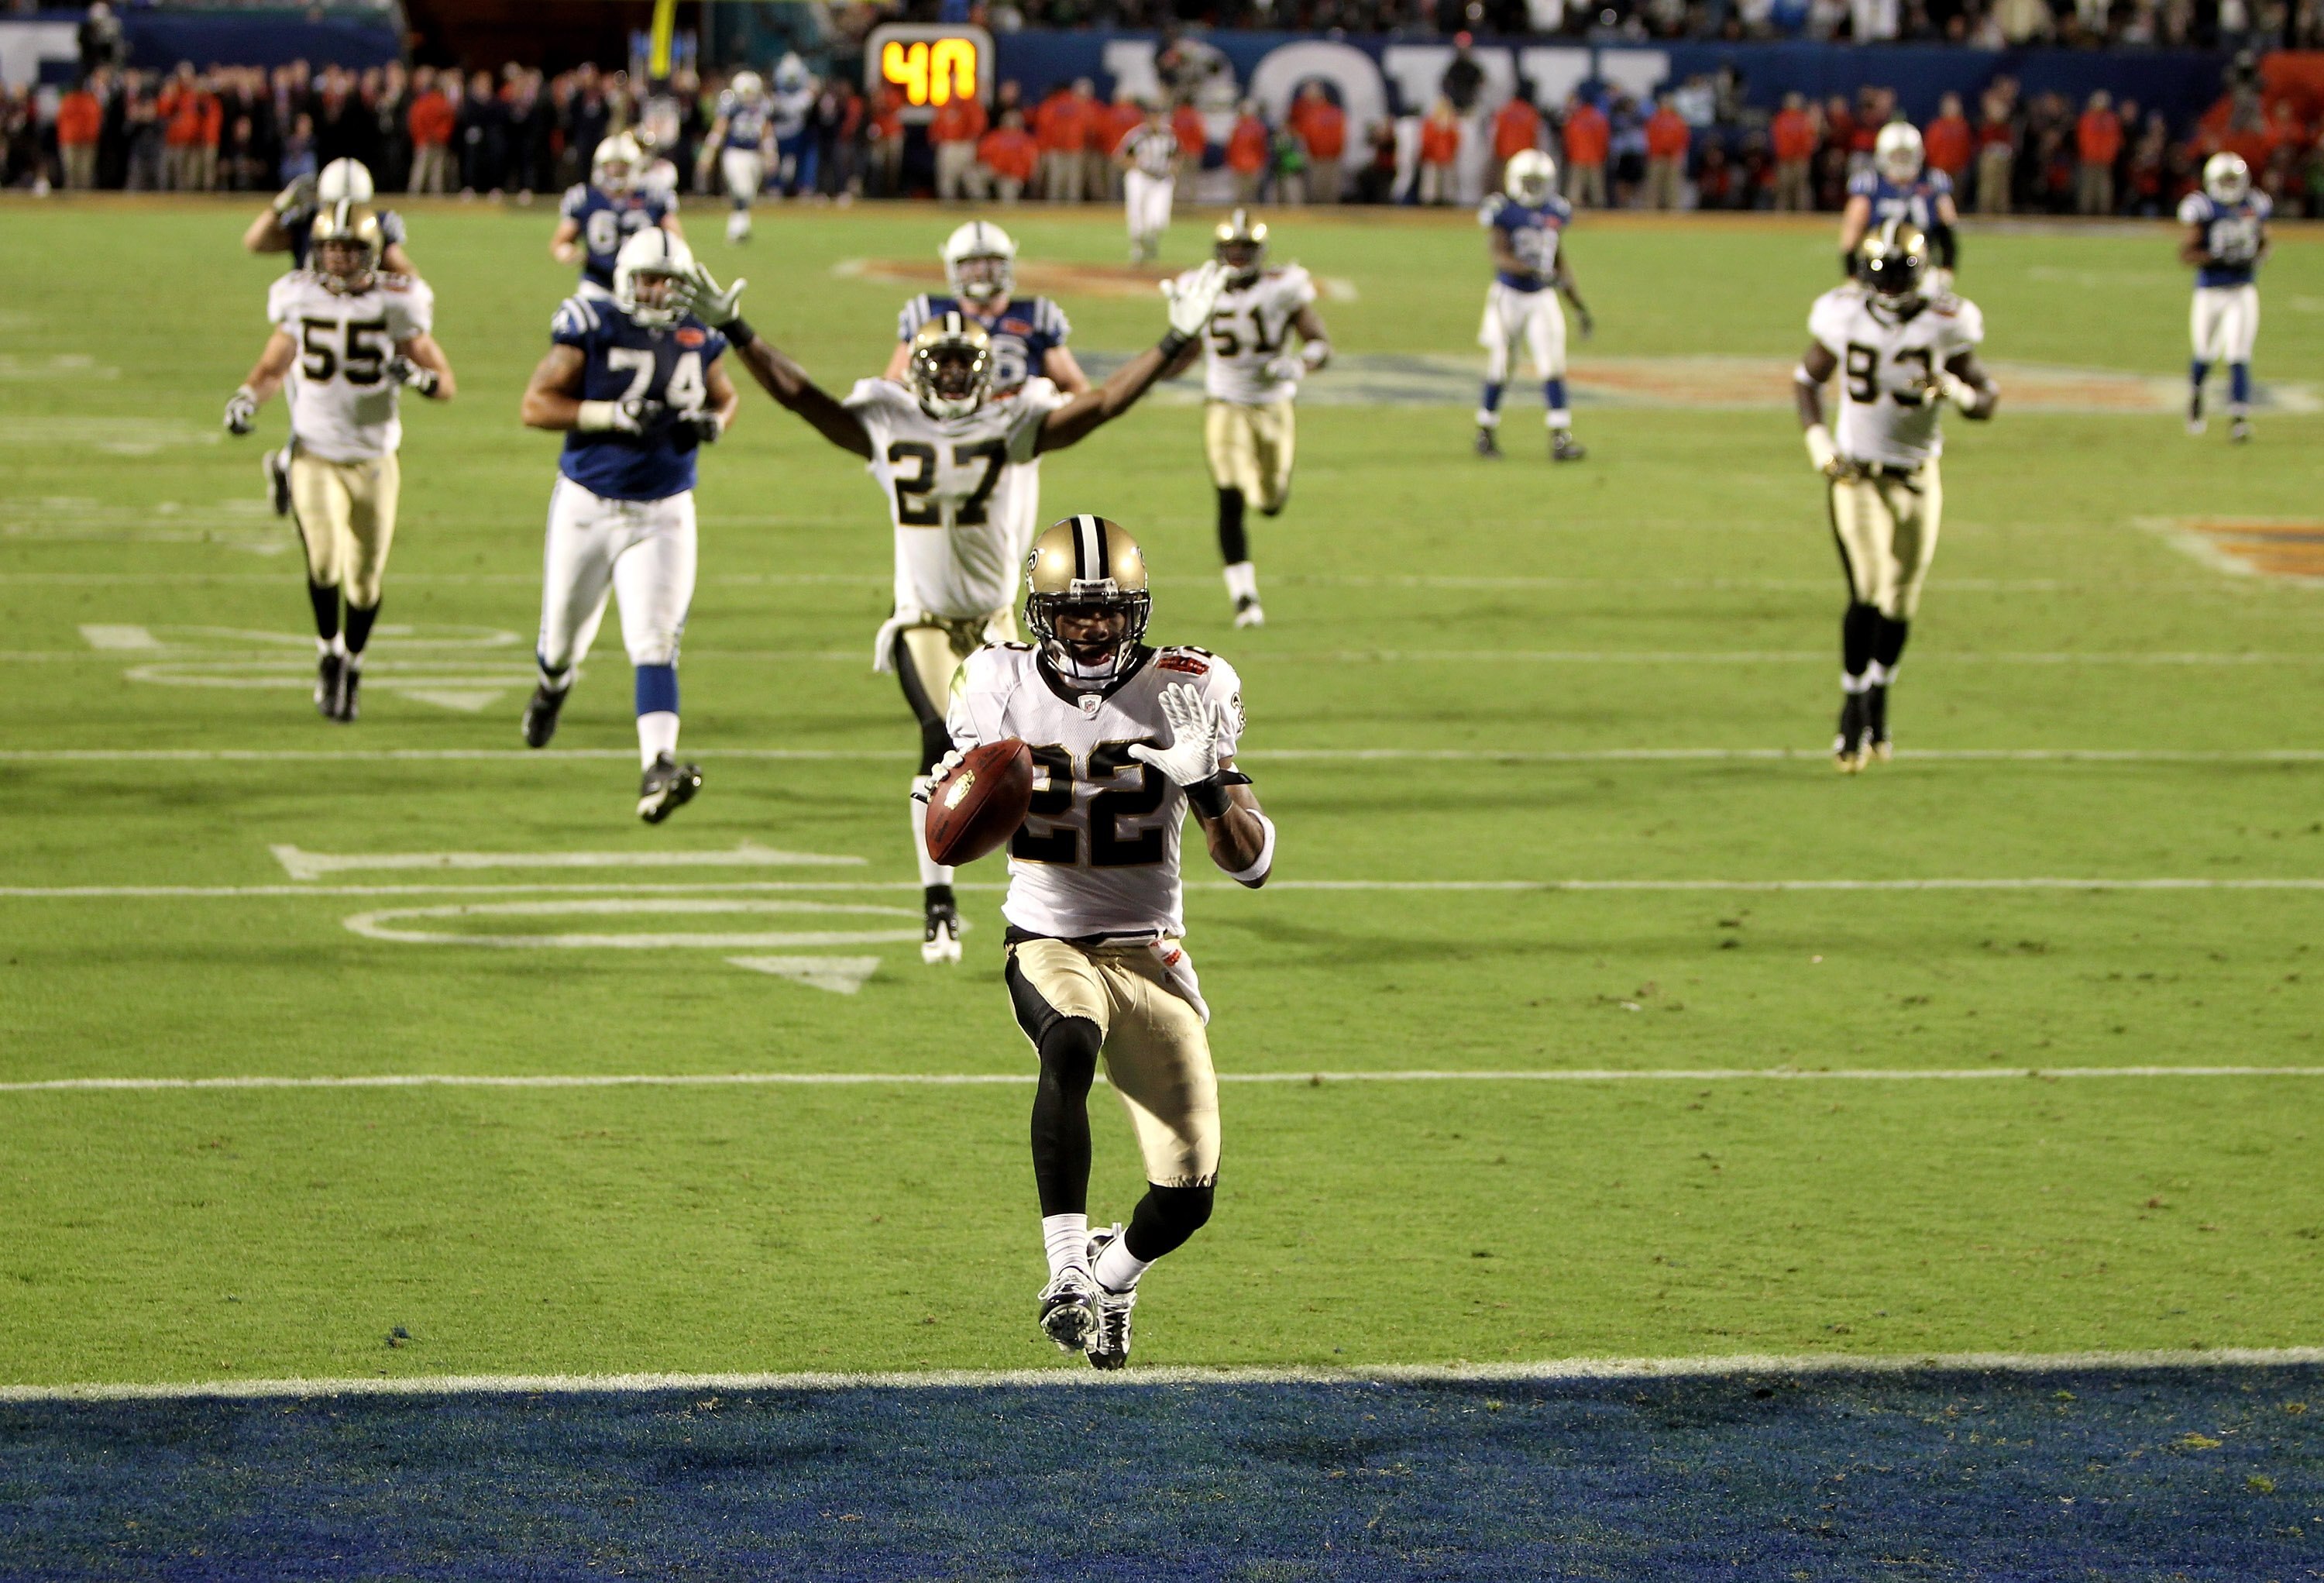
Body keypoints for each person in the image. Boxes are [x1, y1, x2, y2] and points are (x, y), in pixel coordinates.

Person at [669, 256, 1232, 962]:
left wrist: (1174, 343)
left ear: (988, 368)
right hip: (924, 621)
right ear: (918, 367)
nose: (958, 377)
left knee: (1031, 760)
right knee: (942, 737)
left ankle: (1051, 903)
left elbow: (1102, 404)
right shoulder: (886, 416)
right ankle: (938, 900)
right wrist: (738, 331)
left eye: (970, 364)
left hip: (1000, 625)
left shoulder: (1017, 419)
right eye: (945, 363)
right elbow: (803, 399)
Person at [934, 515, 1275, 1369]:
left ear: (1139, 609)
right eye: (1073, 611)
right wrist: (941, 803)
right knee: (1070, 1043)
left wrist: (1203, 788)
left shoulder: (1191, 684)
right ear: (1040, 612)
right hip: (1047, 934)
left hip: (1149, 944)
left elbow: (1254, 863)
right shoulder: (993, 681)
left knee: (1188, 1194)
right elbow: (953, 815)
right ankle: (1065, 1273)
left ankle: (1114, 1272)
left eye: (1109, 610)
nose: (1092, 626)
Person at [517, 229, 737, 822]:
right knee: (562, 641)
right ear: (625, 280)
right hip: (588, 505)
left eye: (668, 280)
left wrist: (715, 421)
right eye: (648, 278)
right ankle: (552, 687)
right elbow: (535, 404)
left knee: (655, 640)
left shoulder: (699, 331)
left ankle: (657, 766)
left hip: (663, 509)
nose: (658, 290)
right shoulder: (592, 322)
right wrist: (608, 414)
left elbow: (725, 395)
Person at [222, 201, 457, 723]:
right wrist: (245, 395)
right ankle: (328, 650)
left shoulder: (399, 304)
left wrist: (419, 380)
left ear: (372, 253)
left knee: (366, 581)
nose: (341, 259)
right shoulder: (299, 297)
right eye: (332, 248)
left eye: (351, 249)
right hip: (315, 451)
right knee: (325, 561)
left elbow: (445, 382)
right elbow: (272, 365)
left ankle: (354, 660)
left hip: (374, 456)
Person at [1794, 220, 1998, 772]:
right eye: (1878, 274)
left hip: (1916, 474)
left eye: (1896, 273)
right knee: (1866, 588)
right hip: (1856, 473)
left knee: (1902, 598)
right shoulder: (1843, 313)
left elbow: (1988, 398)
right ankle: (1853, 703)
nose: (1885, 287)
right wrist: (1818, 443)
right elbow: (1806, 379)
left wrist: (1953, 390)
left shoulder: (1945, 321)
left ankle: (1880, 691)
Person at [1161, 211, 1330, 628]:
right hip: (1225, 402)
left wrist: (1301, 364)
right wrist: (1152, 370)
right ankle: (1245, 599)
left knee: (1270, 502)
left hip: (1273, 404)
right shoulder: (1200, 289)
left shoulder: (1283, 288)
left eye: (1244, 249)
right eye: (1230, 249)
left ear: (1259, 252)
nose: (1237, 256)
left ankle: (1267, 497)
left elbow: (1320, 343)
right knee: (1229, 491)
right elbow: (1184, 354)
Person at [1475, 150, 1590, 463]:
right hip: (1508, 296)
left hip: (1542, 297)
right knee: (1502, 364)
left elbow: (1558, 260)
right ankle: (1485, 430)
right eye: (1529, 182)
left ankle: (1560, 437)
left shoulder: (1556, 211)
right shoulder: (1503, 210)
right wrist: (1528, 269)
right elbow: (1498, 255)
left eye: (1539, 182)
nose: (1534, 188)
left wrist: (1578, 305)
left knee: (1553, 364)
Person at [2178, 151, 2270, 442]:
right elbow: (2186, 254)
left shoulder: (2254, 204)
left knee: (2239, 354)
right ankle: (2196, 395)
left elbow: (2265, 243)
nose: (2230, 186)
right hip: (2210, 291)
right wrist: (2216, 257)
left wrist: (2257, 257)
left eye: (2234, 180)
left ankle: (2239, 420)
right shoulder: (2203, 208)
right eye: (2225, 180)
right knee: (2204, 352)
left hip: (2242, 290)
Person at [554, 133, 683, 292]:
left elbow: (676, 241)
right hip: (598, 280)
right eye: (611, 166)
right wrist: (567, 252)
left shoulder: (652, 196)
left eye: (622, 166)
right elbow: (560, 242)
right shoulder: (585, 198)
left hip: (642, 282)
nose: (616, 171)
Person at [1840, 122, 1961, 291]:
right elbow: (1851, 232)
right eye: (1897, 156)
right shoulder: (1871, 185)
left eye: (1906, 155)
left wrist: (1947, 268)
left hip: (1922, 269)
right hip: (1876, 269)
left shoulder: (1933, 183)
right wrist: (1852, 274)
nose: (1902, 161)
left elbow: (1948, 230)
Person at [246, 156, 414, 274]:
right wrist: (279, 207)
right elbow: (255, 242)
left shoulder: (373, 226)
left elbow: (407, 276)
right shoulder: (308, 223)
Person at [697, 71, 768, 241]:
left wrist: (770, 152)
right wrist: (708, 153)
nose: (749, 96)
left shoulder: (763, 105)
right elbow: (719, 128)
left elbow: (766, 129)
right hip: (735, 152)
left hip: (754, 153)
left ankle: (739, 226)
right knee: (741, 191)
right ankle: (736, 230)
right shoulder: (731, 104)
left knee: (749, 194)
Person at [1116, 99, 1181, 263]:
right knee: (1136, 215)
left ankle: (1151, 242)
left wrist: (1174, 168)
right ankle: (1137, 249)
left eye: (1158, 116)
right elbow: (1121, 157)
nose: (1156, 120)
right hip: (1140, 177)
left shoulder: (1169, 136)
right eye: (1153, 116)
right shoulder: (1137, 135)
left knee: (1158, 220)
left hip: (1162, 180)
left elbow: (1177, 157)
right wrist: (1136, 164)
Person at [768, 54, 818, 198]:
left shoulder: (805, 96)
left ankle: (804, 186)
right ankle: (774, 186)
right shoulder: (775, 98)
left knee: (806, 159)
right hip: (779, 135)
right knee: (775, 160)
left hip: (799, 134)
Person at [1290, 84, 1346, 205]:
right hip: (1328, 157)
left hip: (1322, 158)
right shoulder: (1335, 112)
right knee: (1327, 191)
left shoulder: (1314, 114)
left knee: (1321, 191)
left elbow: (1303, 135)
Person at [931, 88, 988, 202]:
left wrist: (971, 140)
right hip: (948, 145)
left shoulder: (971, 105)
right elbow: (936, 127)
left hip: (965, 145)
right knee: (947, 176)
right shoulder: (944, 106)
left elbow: (979, 126)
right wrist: (936, 138)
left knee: (970, 176)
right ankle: (947, 203)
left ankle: (978, 202)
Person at [2075, 91, 2122, 216]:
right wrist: (2087, 154)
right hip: (2089, 159)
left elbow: (2115, 140)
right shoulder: (2087, 118)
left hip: (2105, 160)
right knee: (2088, 187)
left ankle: (2104, 213)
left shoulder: (2111, 119)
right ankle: (2085, 212)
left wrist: (2109, 156)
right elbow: (2082, 139)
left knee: (2104, 188)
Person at [978, 108, 1038, 203]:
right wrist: (991, 168)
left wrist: (1017, 174)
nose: (1010, 123)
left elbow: (1030, 163)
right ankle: (981, 204)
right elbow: (982, 156)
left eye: (1013, 120)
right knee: (972, 176)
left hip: (1013, 176)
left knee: (1008, 193)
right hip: (994, 171)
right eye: (1008, 120)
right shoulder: (994, 137)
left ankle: (1005, 215)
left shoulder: (1026, 140)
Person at [1643, 91, 1690, 210]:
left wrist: (1676, 152)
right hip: (1657, 156)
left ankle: (1673, 208)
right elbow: (1650, 137)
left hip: (1673, 156)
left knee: (1673, 185)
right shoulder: (1654, 119)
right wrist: (1656, 151)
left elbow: (1683, 138)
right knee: (1654, 184)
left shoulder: (1678, 120)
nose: (1666, 104)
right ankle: (1651, 208)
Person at [1771, 93, 1817, 212]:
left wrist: (1806, 154)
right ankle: (1782, 213)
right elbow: (1777, 138)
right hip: (1785, 160)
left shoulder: (1805, 118)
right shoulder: (1781, 118)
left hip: (1800, 159)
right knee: (1783, 189)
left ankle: (1803, 214)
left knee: (1802, 189)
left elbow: (1811, 139)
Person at [1560, 94, 1608, 208]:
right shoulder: (1600, 118)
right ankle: (1598, 205)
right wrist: (1602, 154)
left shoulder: (1576, 118)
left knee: (1575, 186)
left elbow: (1569, 138)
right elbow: (1604, 139)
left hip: (1578, 155)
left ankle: (1574, 205)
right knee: (1596, 187)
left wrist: (1570, 154)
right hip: (1595, 156)